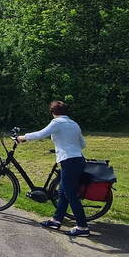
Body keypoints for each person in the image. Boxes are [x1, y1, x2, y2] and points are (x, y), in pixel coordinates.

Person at [16, 100, 89, 236]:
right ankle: (56, 220)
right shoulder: (74, 124)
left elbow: (40, 134)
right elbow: (83, 144)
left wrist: (23, 137)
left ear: (52, 112)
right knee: (62, 192)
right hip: (78, 159)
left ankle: (82, 227)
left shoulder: (57, 123)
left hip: (69, 161)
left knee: (70, 194)